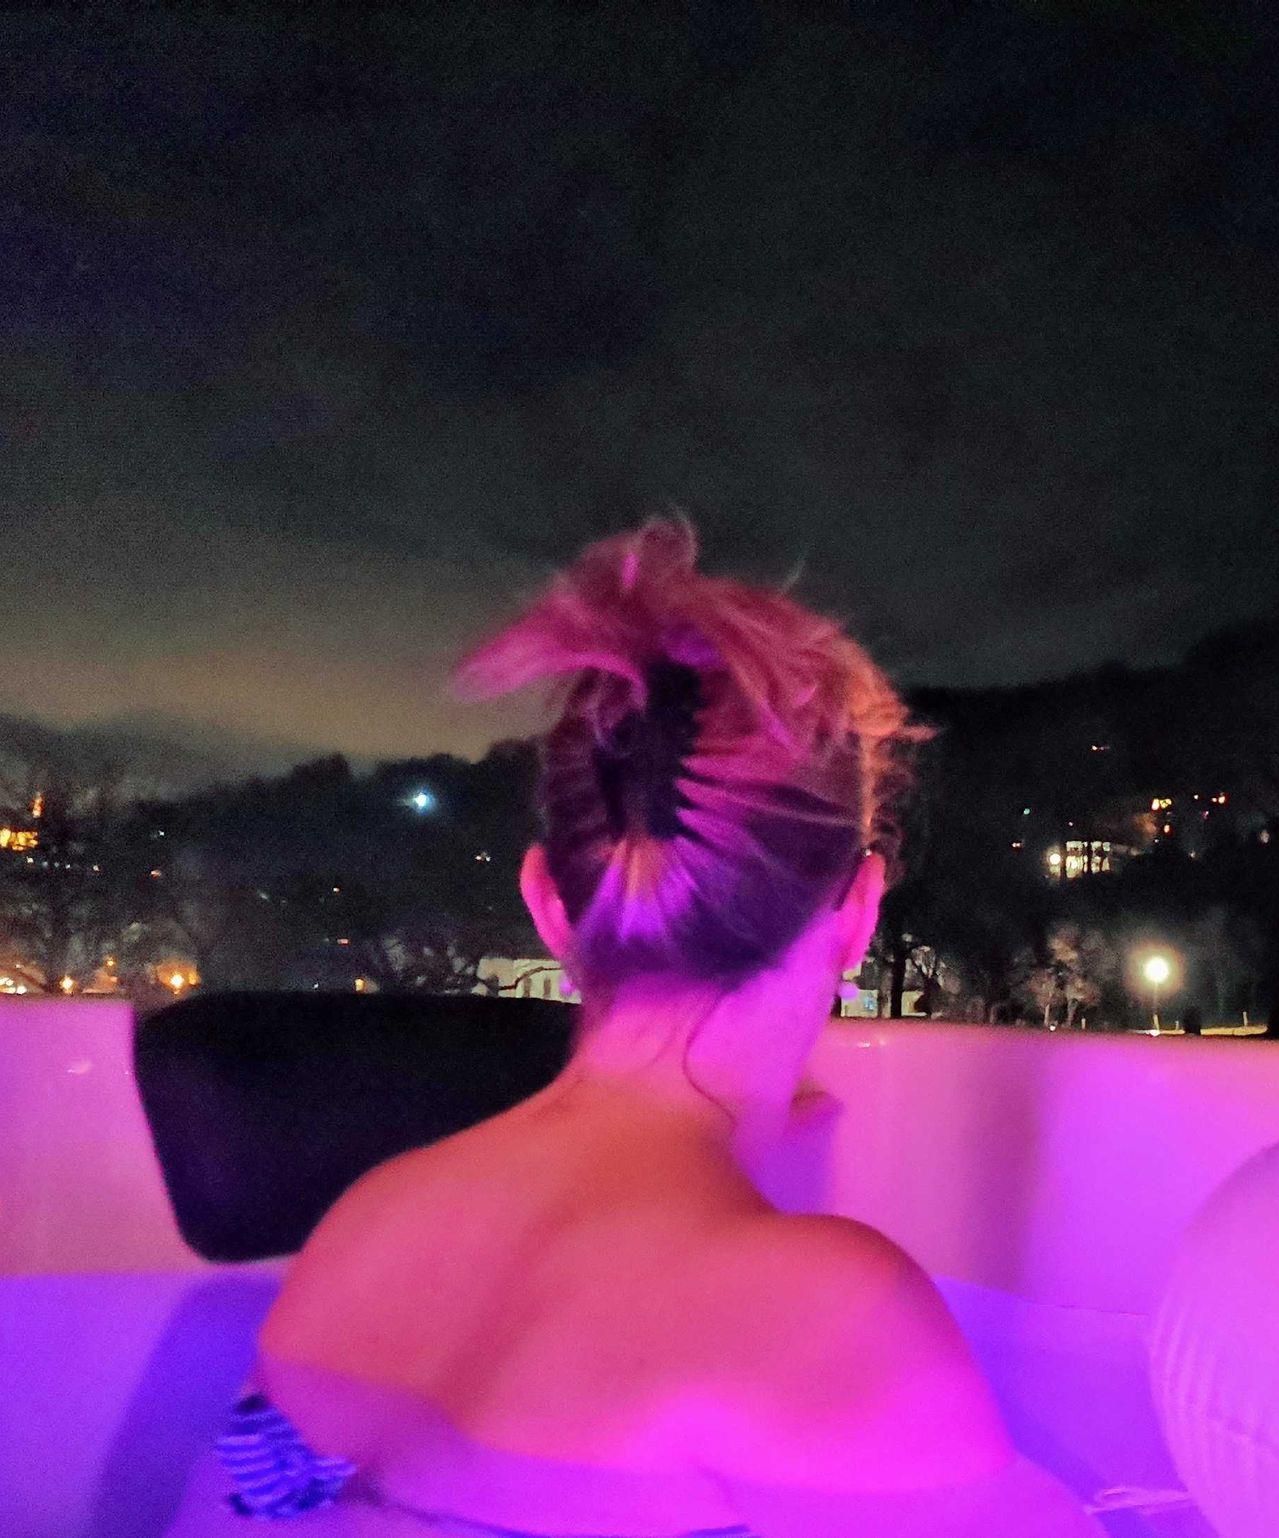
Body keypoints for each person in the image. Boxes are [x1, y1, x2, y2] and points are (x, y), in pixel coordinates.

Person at [166, 521, 1102, 1537]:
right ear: (859, 912)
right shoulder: (833, 1316)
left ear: (546, 902)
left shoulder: (362, 1228)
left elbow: (257, 1503)